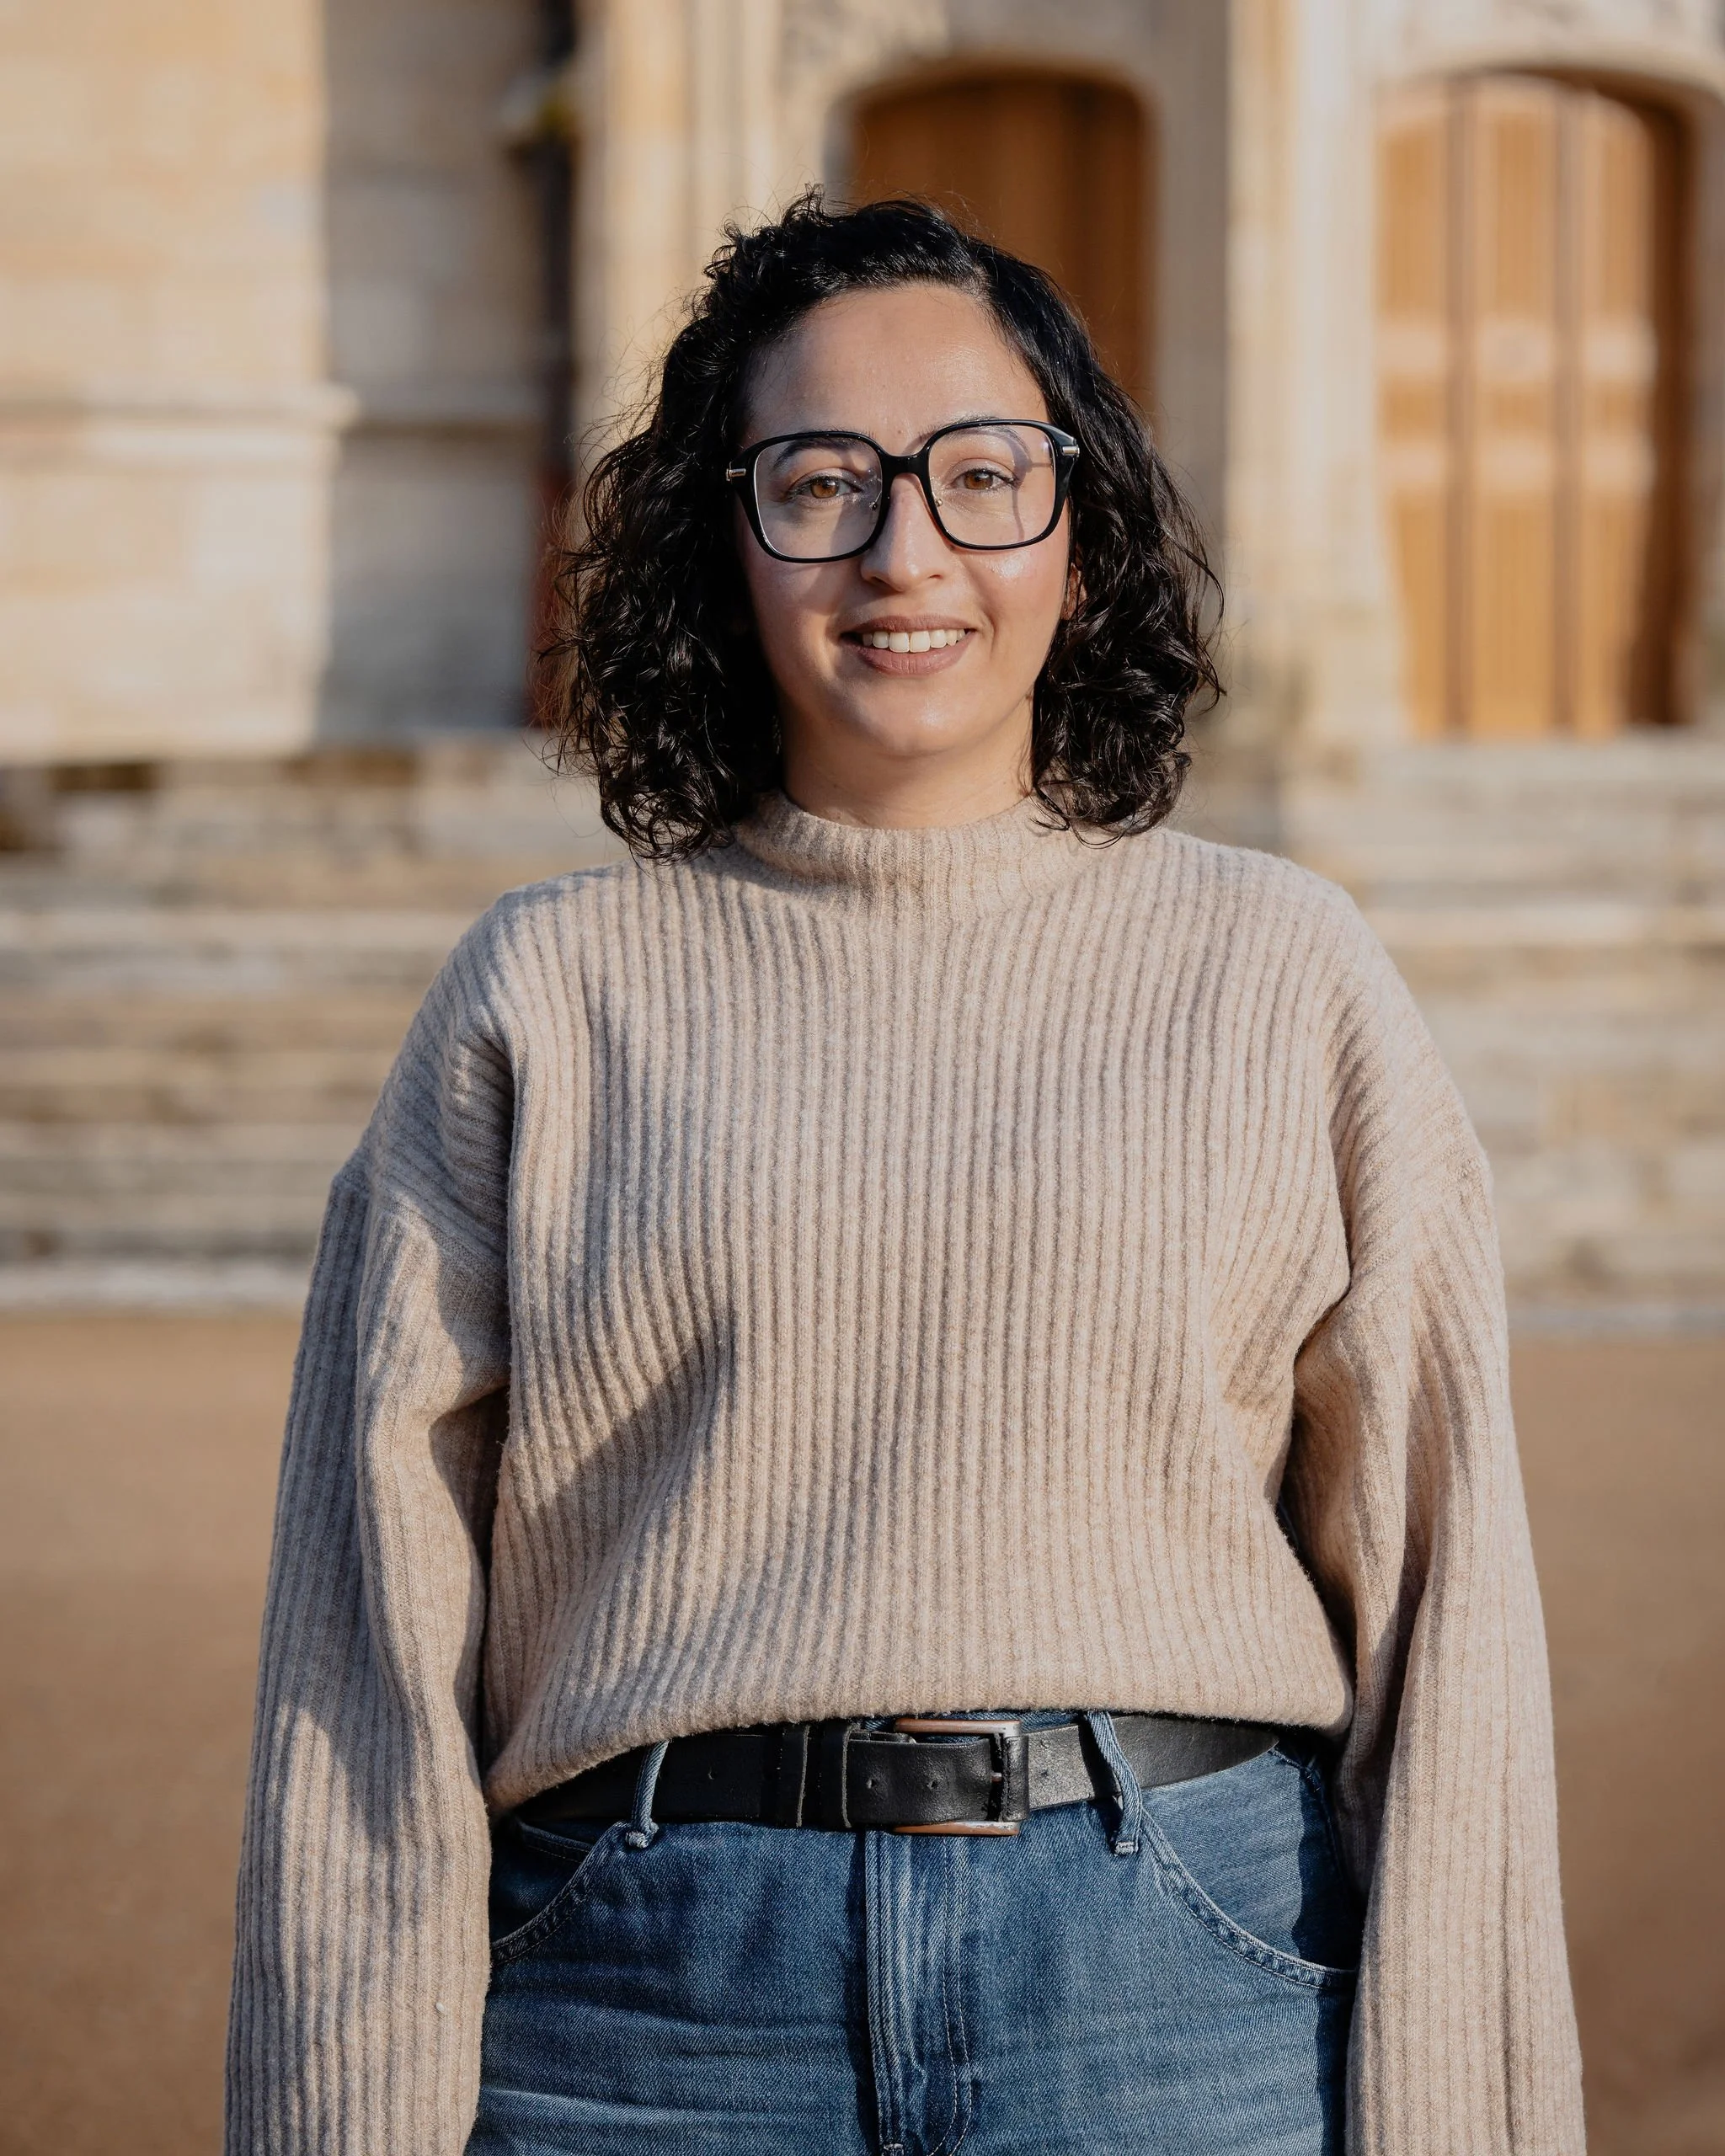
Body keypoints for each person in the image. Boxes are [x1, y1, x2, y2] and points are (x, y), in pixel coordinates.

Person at [227, 195, 1583, 2156]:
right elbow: (358, 1654)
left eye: (979, 473)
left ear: (1080, 528)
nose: (902, 547)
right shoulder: (543, 994)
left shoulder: (1285, 970)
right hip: (647, 2015)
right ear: (724, 534)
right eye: (817, 480)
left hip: (1177, 1998)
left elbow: (1447, 1604)